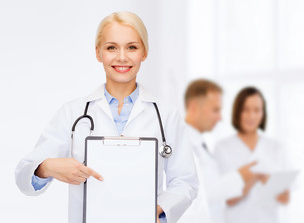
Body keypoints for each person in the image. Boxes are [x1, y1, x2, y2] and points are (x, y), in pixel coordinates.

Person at [15, 11, 199, 223]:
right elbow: (23, 175)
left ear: (144, 53)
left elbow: (185, 182)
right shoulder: (73, 113)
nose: (122, 57)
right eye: (111, 47)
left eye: (132, 47)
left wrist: (157, 211)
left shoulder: (166, 115)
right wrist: (46, 167)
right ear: (98, 53)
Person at [178, 79, 258, 223]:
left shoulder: (200, 144)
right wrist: (239, 177)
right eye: (215, 110)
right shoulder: (180, 143)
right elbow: (198, 194)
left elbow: (214, 191)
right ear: (194, 107)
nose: (220, 118)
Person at [214, 86, 290, 223]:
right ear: (237, 112)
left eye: (257, 110)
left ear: (263, 113)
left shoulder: (276, 148)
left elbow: (285, 199)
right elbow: (228, 199)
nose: (251, 116)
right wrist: (255, 178)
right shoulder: (222, 148)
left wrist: (273, 185)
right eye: (245, 110)